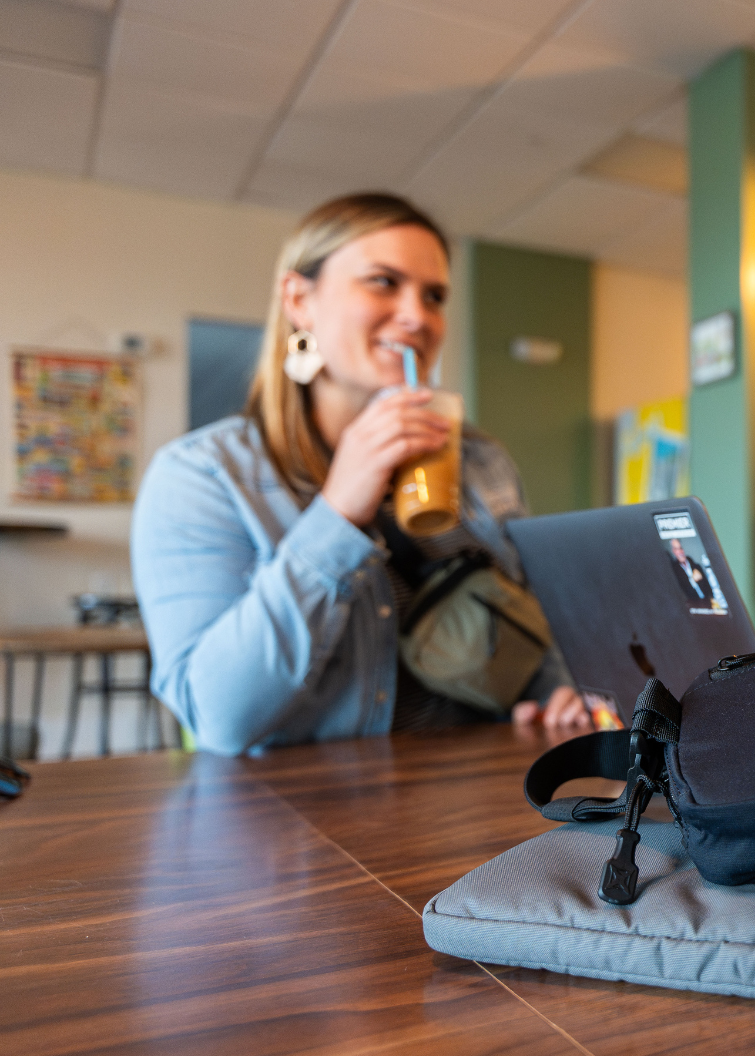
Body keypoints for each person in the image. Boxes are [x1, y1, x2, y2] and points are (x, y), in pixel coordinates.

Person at [132, 193, 590, 755]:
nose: (417, 316)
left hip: (477, 796)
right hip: (299, 823)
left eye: (435, 295)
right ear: (300, 300)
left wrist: (559, 697)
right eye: (382, 282)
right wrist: (338, 514)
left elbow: (532, 629)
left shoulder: (482, 462)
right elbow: (220, 719)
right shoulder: (202, 476)